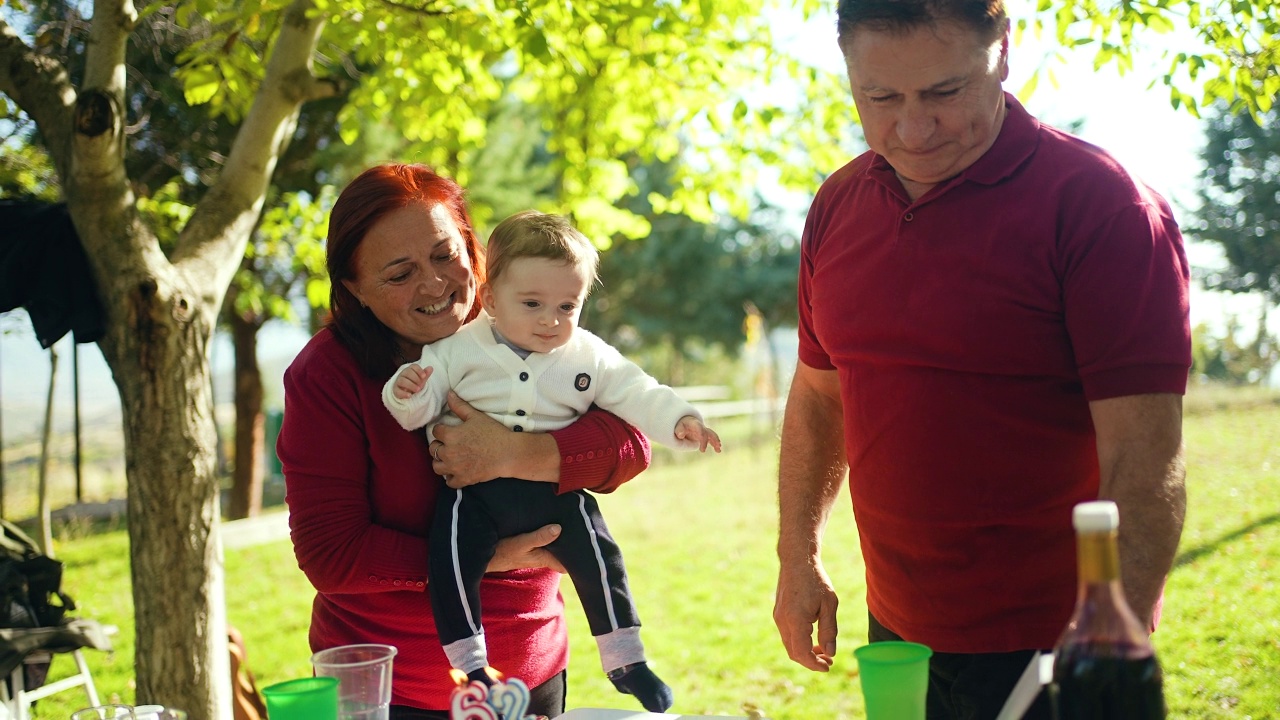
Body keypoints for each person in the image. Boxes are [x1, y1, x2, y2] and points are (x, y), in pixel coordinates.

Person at [772, 1, 1191, 718]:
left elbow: (1147, 462)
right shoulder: (838, 205)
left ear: (1004, 50)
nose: (912, 129)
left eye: (944, 92)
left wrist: (1104, 638)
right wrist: (798, 555)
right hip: (900, 630)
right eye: (880, 97)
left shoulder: (1103, 207)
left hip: (1059, 640)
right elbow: (819, 399)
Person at [278, 163, 656, 720]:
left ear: (474, 251)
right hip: (389, 691)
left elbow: (631, 445)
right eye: (399, 273)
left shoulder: (525, 326)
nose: (433, 284)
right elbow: (331, 554)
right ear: (355, 288)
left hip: (532, 673)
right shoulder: (327, 375)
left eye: (443, 254)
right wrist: (482, 561)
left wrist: (517, 453)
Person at [382, 209, 720, 713]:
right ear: (491, 299)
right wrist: (404, 391)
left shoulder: (587, 354)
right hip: (473, 495)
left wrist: (679, 421)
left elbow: (635, 391)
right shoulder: (456, 350)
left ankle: (626, 657)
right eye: (533, 303)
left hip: (555, 491)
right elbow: (415, 411)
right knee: (450, 561)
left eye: (568, 305)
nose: (551, 320)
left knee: (601, 556)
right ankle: (473, 667)